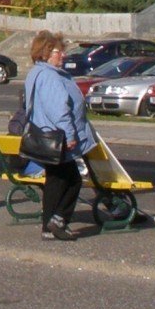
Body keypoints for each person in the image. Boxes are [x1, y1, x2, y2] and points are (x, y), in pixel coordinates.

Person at [21, 31, 96, 242]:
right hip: (57, 137)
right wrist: (70, 135)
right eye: (58, 52)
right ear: (45, 53)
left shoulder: (36, 73)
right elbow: (59, 110)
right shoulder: (50, 76)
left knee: (55, 181)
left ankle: (48, 226)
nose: (62, 55)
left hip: (44, 135)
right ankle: (59, 220)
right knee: (73, 180)